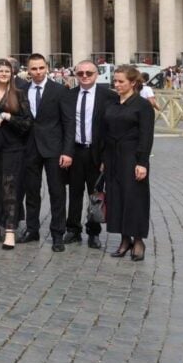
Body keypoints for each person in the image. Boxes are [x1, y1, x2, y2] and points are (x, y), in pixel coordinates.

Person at [18, 54, 74, 251]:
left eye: (41, 68)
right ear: (28, 70)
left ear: (47, 68)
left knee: (57, 192)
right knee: (31, 191)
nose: (38, 72)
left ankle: (58, 233)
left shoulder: (59, 90)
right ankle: (32, 229)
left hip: (54, 148)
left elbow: (68, 122)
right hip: (29, 148)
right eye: (33, 69)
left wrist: (68, 151)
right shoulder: (21, 90)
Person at [64, 61, 117, 249]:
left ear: (96, 74)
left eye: (89, 73)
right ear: (75, 75)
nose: (84, 76)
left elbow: (112, 131)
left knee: (95, 194)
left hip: (97, 153)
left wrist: (107, 158)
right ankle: (73, 229)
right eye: (80, 73)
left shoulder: (109, 96)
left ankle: (93, 232)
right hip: (75, 151)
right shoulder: (68, 96)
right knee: (75, 192)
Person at [104, 65, 155, 261]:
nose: (116, 85)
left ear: (133, 82)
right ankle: (124, 239)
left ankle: (138, 240)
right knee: (116, 198)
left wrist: (142, 162)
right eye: (115, 81)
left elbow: (146, 136)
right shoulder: (112, 103)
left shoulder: (142, 105)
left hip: (133, 157)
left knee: (135, 199)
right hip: (112, 157)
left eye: (121, 81)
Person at [0, 59, 33, 250]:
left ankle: (10, 230)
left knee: (10, 188)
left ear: (12, 74)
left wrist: (7, 116)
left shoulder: (19, 94)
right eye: (1, 70)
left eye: (8, 71)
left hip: (12, 148)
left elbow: (27, 123)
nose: (4, 74)